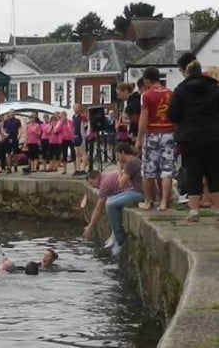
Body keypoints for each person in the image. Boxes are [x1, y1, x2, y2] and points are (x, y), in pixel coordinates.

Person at [168, 52, 219, 222]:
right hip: (214, 135)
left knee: (193, 173)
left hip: (190, 137)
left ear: (186, 71)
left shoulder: (181, 90)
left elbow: (173, 114)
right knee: (214, 172)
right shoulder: (214, 88)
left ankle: (194, 212)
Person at [84, 142, 143, 255]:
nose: (117, 158)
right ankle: (115, 234)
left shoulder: (131, 163)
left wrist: (119, 168)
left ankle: (120, 239)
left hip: (139, 192)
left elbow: (121, 184)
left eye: (117, 155)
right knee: (111, 201)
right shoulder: (133, 161)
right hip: (135, 190)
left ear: (122, 153)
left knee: (110, 204)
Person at [135, 68, 175, 211]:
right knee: (166, 170)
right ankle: (164, 202)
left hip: (152, 133)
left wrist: (139, 139)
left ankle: (148, 201)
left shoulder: (146, 95)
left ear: (146, 80)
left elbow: (144, 118)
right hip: (169, 133)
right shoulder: (170, 93)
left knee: (148, 170)